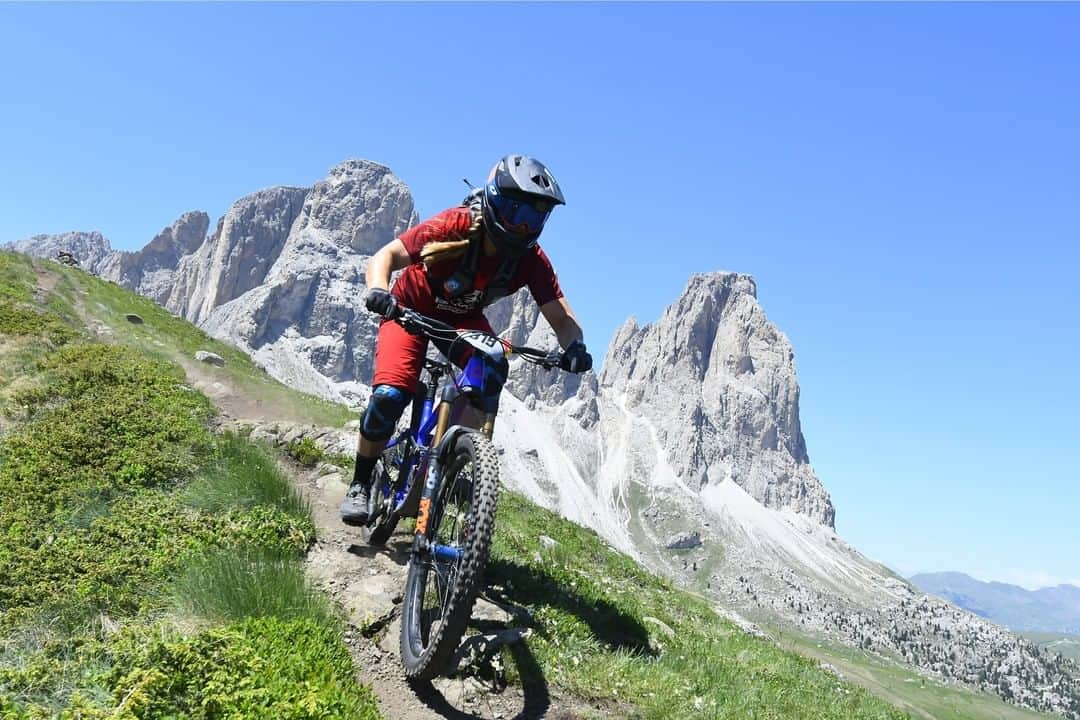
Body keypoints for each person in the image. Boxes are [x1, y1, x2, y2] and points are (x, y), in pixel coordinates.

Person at [340, 155, 593, 525]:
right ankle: (361, 483)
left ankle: (451, 459)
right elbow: (388, 255)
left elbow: (561, 316)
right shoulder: (455, 225)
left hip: (461, 321)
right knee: (390, 396)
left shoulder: (531, 260)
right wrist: (379, 291)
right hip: (410, 310)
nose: (523, 226)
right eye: (514, 211)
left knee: (491, 368)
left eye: (534, 217)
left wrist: (575, 348)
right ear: (492, 199)